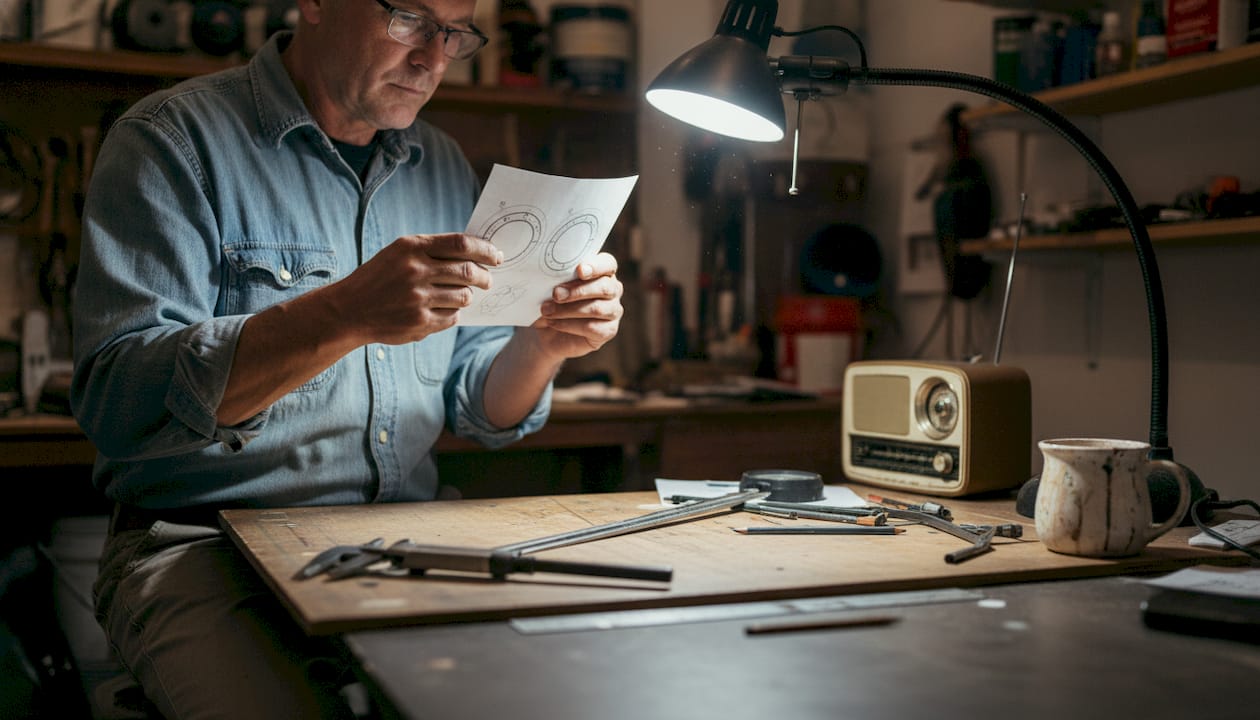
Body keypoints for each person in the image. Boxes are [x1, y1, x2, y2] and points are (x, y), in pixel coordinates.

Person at [70, 0, 624, 716]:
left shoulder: (441, 164)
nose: (433, 57)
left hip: (402, 544)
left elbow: (478, 407)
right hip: (205, 549)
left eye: (456, 32)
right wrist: (343, 312)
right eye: (409, 19)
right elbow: (120, 403)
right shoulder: (173, 141)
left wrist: (544, 344)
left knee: (561, 695)